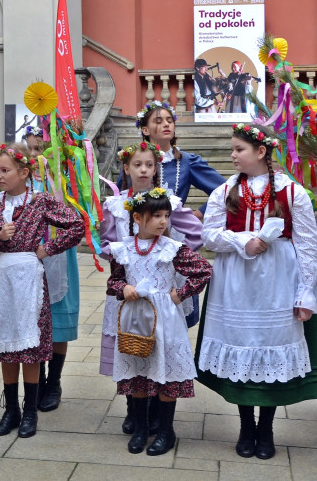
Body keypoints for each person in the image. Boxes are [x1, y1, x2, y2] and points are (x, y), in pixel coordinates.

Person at [195, 123, 317, 460]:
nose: (233, 155)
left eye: (239, 149)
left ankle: (265, 427)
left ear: (261, 151)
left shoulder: (292, 192)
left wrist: (306, 292)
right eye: (233, 149)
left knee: (270, 349)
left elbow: (309, 245)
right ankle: (245, 425)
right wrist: (242, 242)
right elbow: (208, 235)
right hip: (235, 283)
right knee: (241, 347)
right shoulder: (224, 191)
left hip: (277, 282)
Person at [0, 143, 84, 438]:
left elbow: (76, 226)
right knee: (7, 345)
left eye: (5, 170)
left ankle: (30, 412)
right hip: (1, 279)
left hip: (29, 278)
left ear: (24, 172)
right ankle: (11, 410)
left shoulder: (40, 201)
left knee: (29, 348)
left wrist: (48, 248)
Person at [100, 141, 202, 437]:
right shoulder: (115, 204)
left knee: (160, 347)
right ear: (126, 168)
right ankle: (135, 413)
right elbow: (107, 243)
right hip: (129, 289)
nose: (143, 170)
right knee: (134, 346)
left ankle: (159, 414)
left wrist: (170, 258)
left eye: (149, 165)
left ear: (157, 167)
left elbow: (193, 236)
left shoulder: (166, 201)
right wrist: (121, 254)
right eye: (137, 165)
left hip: (160, 289)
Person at [107, 188, 212, 455]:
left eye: (166, 215)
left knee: (167, 373)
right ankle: (141, 428)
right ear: (139, 218)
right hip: (136, 320)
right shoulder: (123, 248)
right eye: (156, 216)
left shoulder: (172, 249)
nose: (163, 221)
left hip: (165, 319)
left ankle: (166, 430)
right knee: (139, 370)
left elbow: (203, 270)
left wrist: (180, 294)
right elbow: (114, 281)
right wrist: (124, 289)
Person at [135, 101, 225, 329]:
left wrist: (199, 212)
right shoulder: (136, 160)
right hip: (140, 236)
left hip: (173, 237)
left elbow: (223, 189)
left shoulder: (186, 161)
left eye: (169, 120)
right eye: (158, 121)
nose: (166, 124)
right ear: (145, 129)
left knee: (173, 304)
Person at [22, 128, 80, 412]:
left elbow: (79, 216)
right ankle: (38, 378)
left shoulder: (65, 180)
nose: (36, 155)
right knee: (32, 319)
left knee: (58, 320)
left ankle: (53, 381)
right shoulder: (21, 184)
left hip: (58, 255)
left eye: (41, 149)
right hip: (28, 258)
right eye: (31, 149)